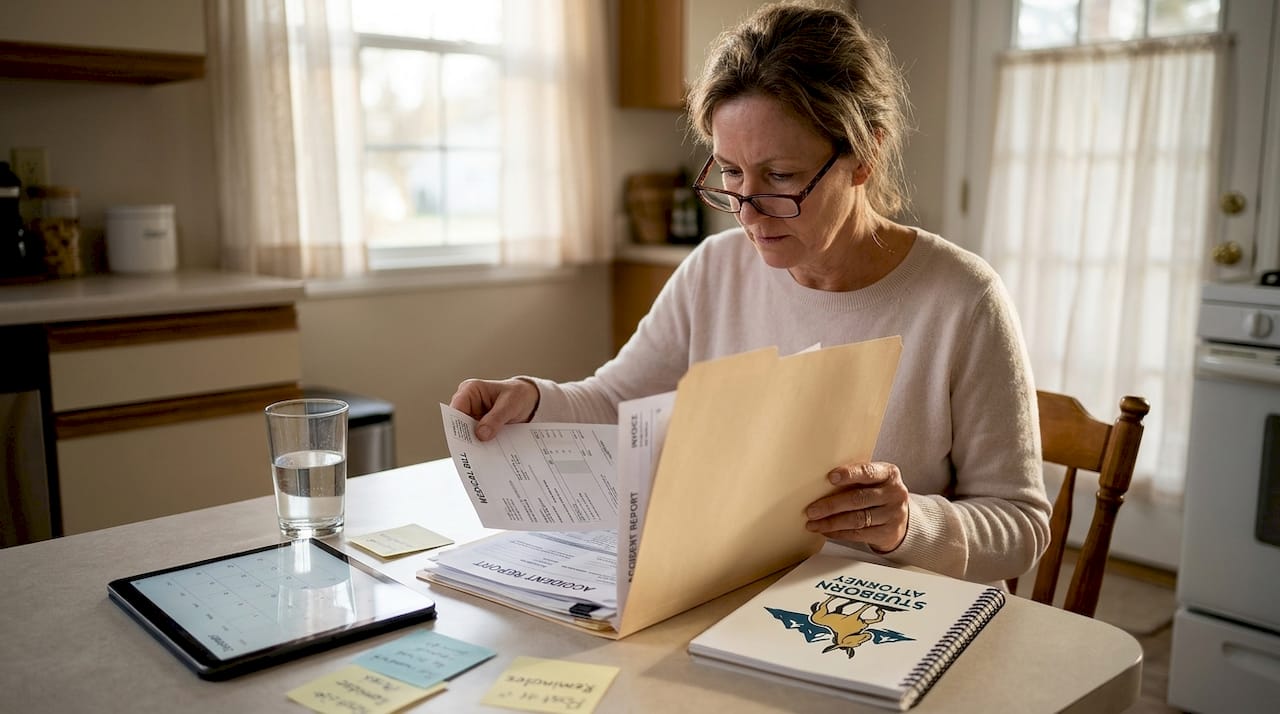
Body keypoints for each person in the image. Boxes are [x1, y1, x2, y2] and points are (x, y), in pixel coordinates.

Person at [449, 0, 1050, 585]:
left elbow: (1021, 525)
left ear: (865, 153)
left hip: (885, 614)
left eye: (781, 176)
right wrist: (530, 400)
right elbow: (616, 403)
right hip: (738, 589)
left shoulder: (962, 299)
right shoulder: (714, 268)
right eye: (731, 173)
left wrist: (907, 523)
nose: (749, 212)